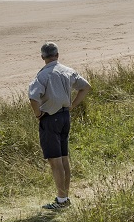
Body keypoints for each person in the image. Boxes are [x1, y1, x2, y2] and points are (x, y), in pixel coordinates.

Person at [28, 41, 91, 210]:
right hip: (65, 117)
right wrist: (73, 105)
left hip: (50, 118)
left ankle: (61, 200)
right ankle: (64, 197)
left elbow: (33, 98)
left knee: (55, 161)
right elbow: (85, 87)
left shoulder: (42, 75)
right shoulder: (67, 71)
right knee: (64, 159)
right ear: (57, 55)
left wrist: (38, 115)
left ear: (43, 57)